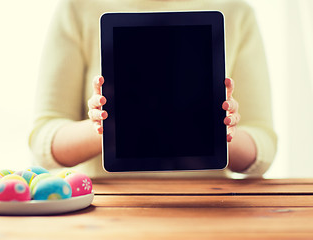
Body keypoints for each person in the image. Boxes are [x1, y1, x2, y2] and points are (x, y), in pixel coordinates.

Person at [29, 0, 277, 178]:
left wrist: (215, 129)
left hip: (208, 207)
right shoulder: (77, 8)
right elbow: (44, 139)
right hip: (106, 212)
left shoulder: (236, 12)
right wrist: (108, 124)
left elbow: (263, 145)